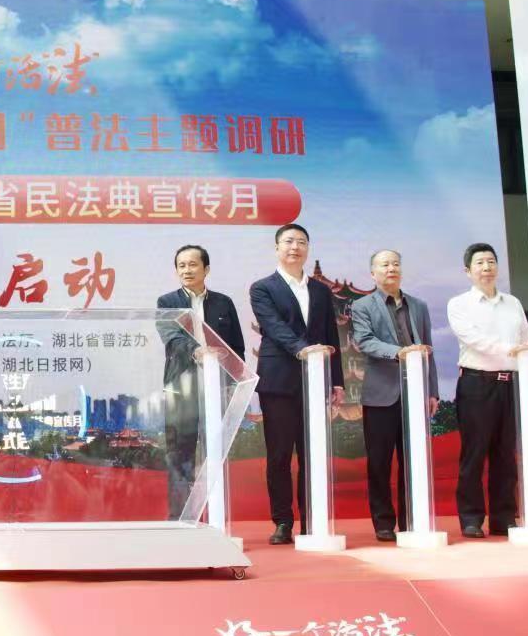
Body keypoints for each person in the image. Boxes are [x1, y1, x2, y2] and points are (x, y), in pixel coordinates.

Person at [249, 224, 343, 545]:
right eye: (288, 241)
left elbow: (331, 335)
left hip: (315, 381)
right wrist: (303, 349)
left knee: (311, 454)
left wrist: (337, 380)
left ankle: (312, 520)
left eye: (301, 242)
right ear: (277, 248)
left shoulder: (321, 291)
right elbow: (273, 326)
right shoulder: (262, 288)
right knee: (279, 456)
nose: (295, 247)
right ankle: (283, 521)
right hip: (278, 381)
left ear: (308, 248)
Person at [350, 250, 439, 541]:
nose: (392, 268)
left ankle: (411, 519)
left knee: (413, 461)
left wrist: (432, 390)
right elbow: (365, 341)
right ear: (373, 273)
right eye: (385, 264)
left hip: (416, 393)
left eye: (396, 264)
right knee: (379, 462)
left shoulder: (418, 306)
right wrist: (400, 352)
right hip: (381, 395)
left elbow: (428, 349)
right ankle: (384, 523)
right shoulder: (362, 305)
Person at [155, 244, 245, 519]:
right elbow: (171, 337)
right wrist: (197, 351)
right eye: (181, 265)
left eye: (192, 264)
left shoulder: (223, 303)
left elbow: (236, 347)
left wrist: (234, 382)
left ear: (206, 269)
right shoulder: (167, 302)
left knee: (214, 450)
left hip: (217, 386)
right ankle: (179, 520)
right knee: (179, 453)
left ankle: (216, 518)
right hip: (181, 387)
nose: (187, 270)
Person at [446, 242, 528, 538]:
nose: (487, 267)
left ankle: (503, 518)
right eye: (480, 263)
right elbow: (474, 340)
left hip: (510, 383)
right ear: (468, 271)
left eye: (491, 261)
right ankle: (471, 518)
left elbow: (524, 338)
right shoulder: (459, 304)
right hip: (476, 383)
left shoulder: (513, 303)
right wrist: (510, 349)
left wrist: (519, 355)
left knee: (506, 454)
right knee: (474, 452)